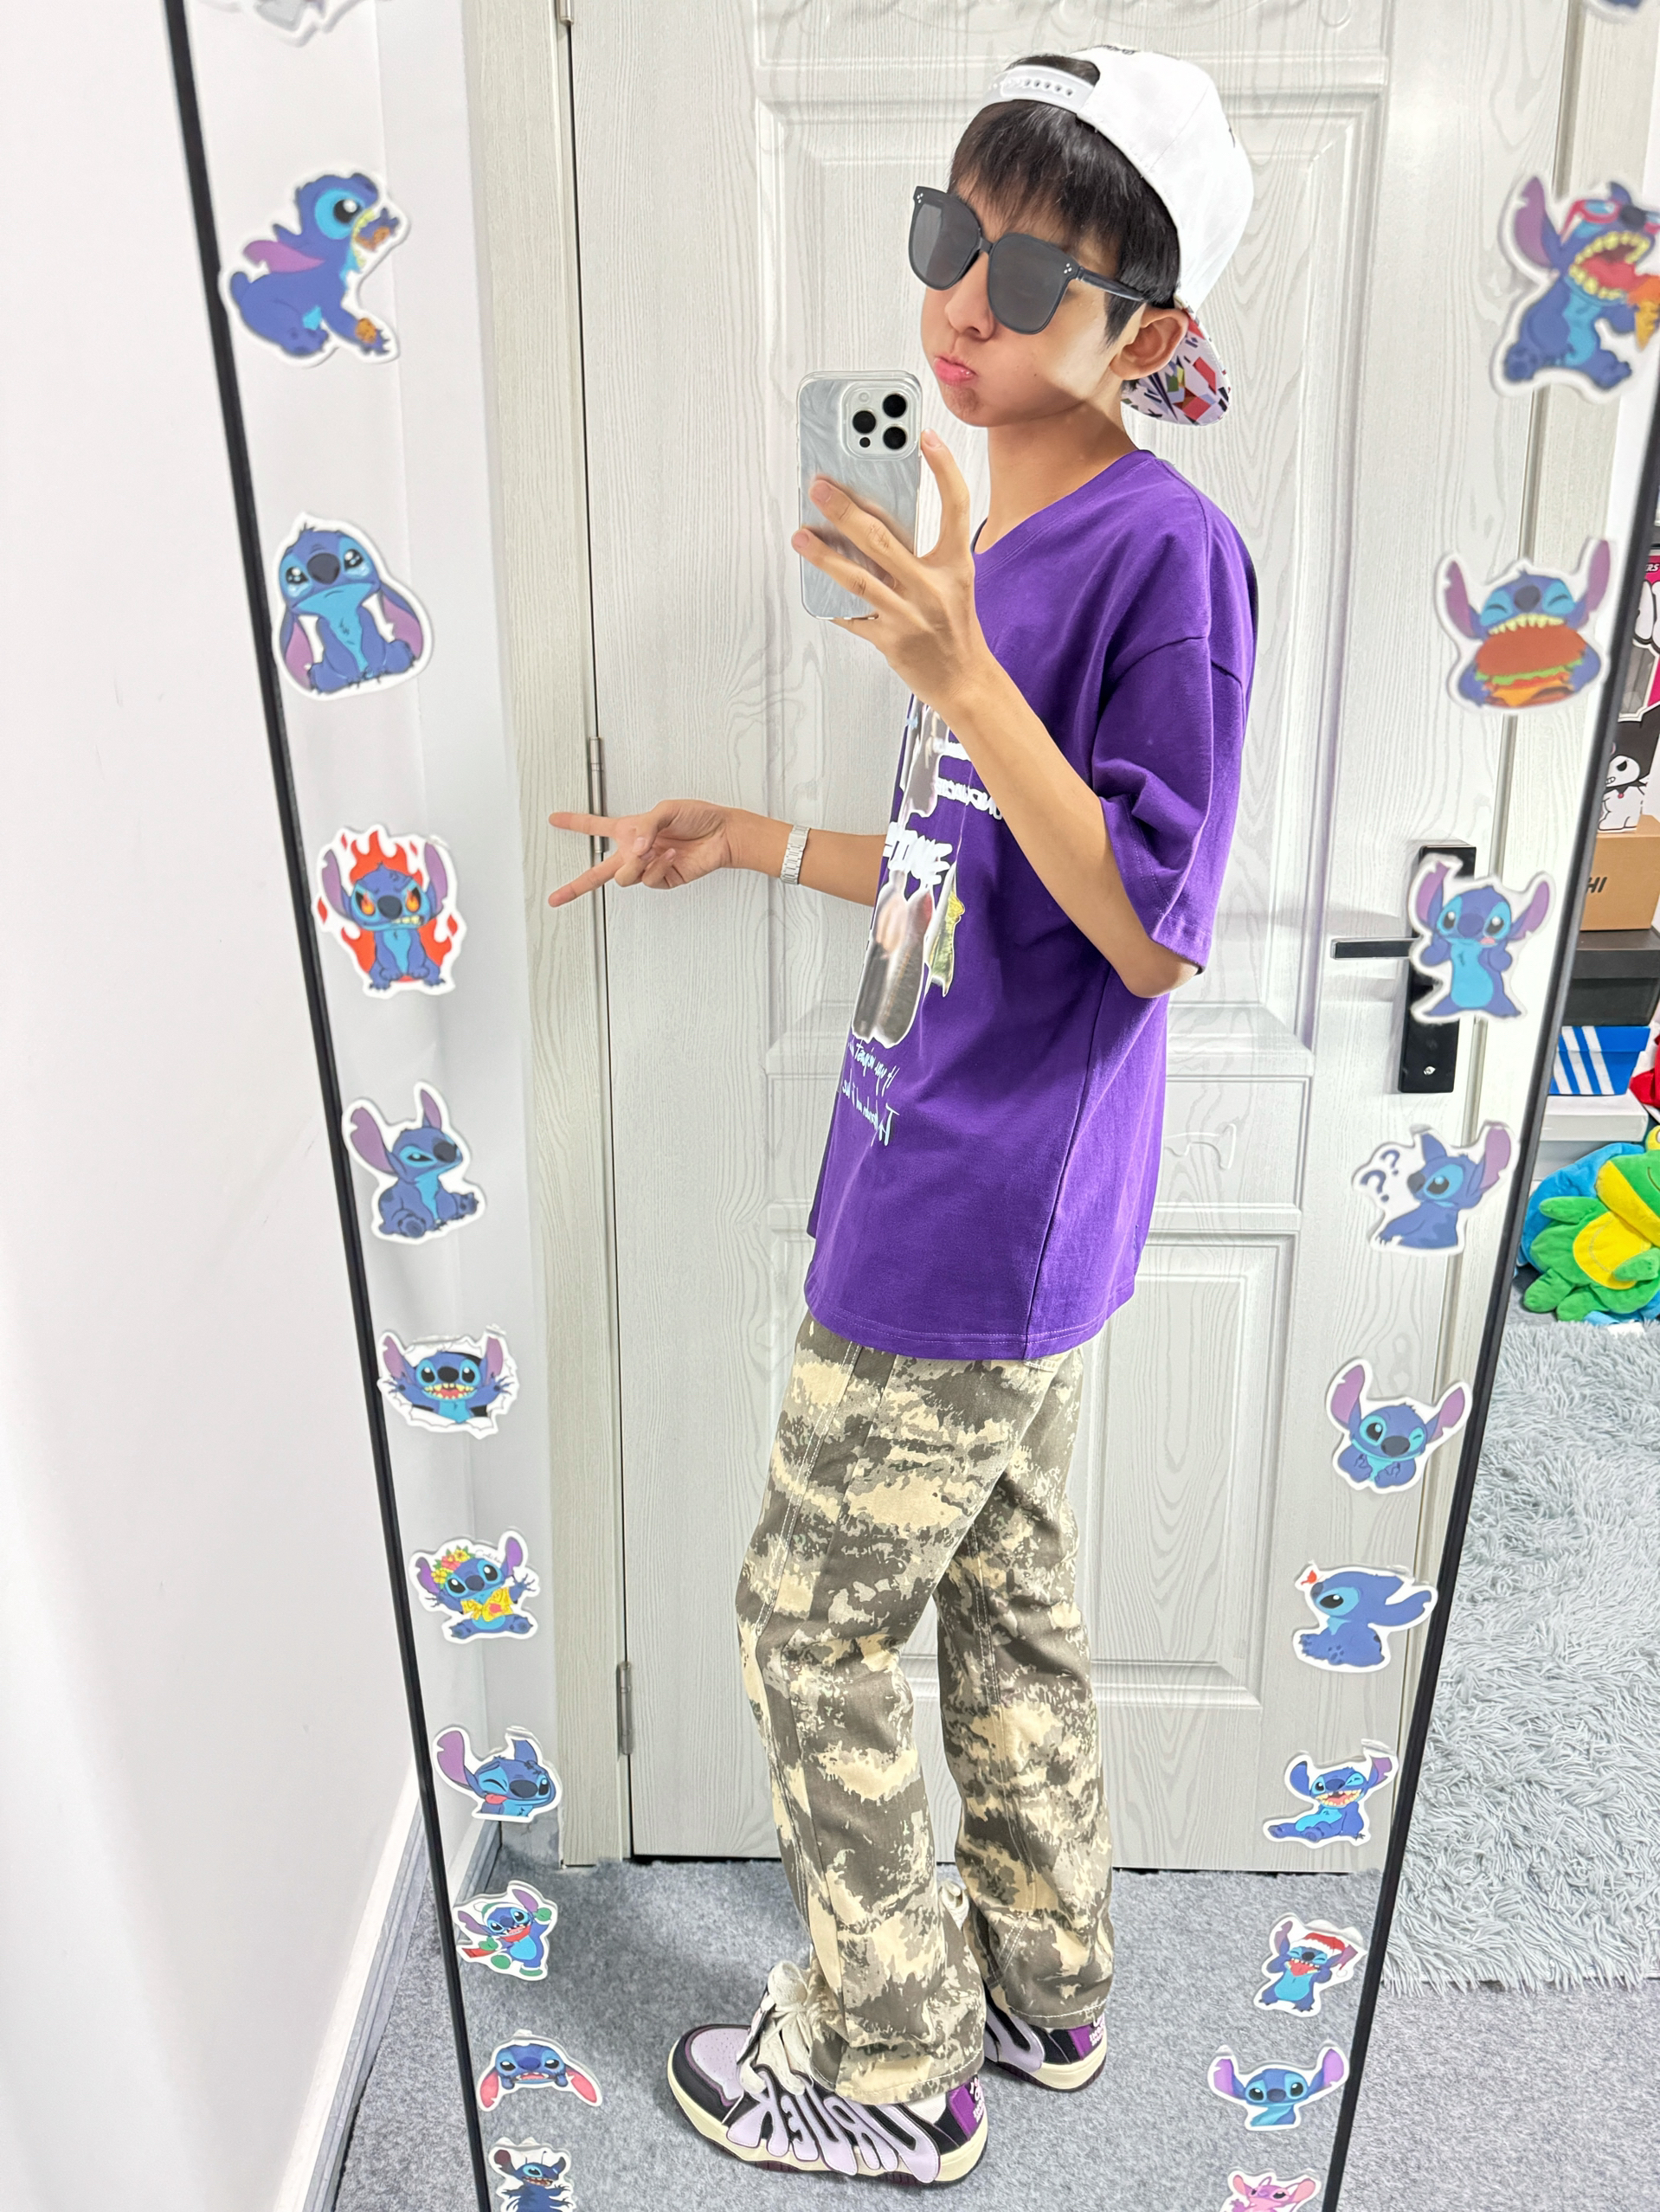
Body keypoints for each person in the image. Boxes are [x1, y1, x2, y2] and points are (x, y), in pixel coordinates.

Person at [549, 45, 1257, 2188]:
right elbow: (977, 867)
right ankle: (1044, 1987)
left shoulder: (1164, 554)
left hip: (975, 1197)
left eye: (1027, 278)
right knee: (1004, 1602)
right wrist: (749, 836)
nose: (960, 303)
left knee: (803, 1623)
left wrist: (954, 674)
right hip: (961, 1169)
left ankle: (890, 2067)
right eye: (949, 237)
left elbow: (1144, 927)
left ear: (1141, 333)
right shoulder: (988, 528)